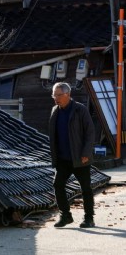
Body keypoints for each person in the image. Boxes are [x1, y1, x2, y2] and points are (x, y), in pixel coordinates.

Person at [48, 82, 96, 228]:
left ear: (67, 94)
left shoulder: (79, 110)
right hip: (63, 158)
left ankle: (89, 218)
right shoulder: (55, 111)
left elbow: (90, 132)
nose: (55, 98)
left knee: (86, 188)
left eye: (58, 95)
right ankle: (66, 215)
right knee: (58, 185)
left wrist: (86, 152)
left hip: (80, 157)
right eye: (53, 95)